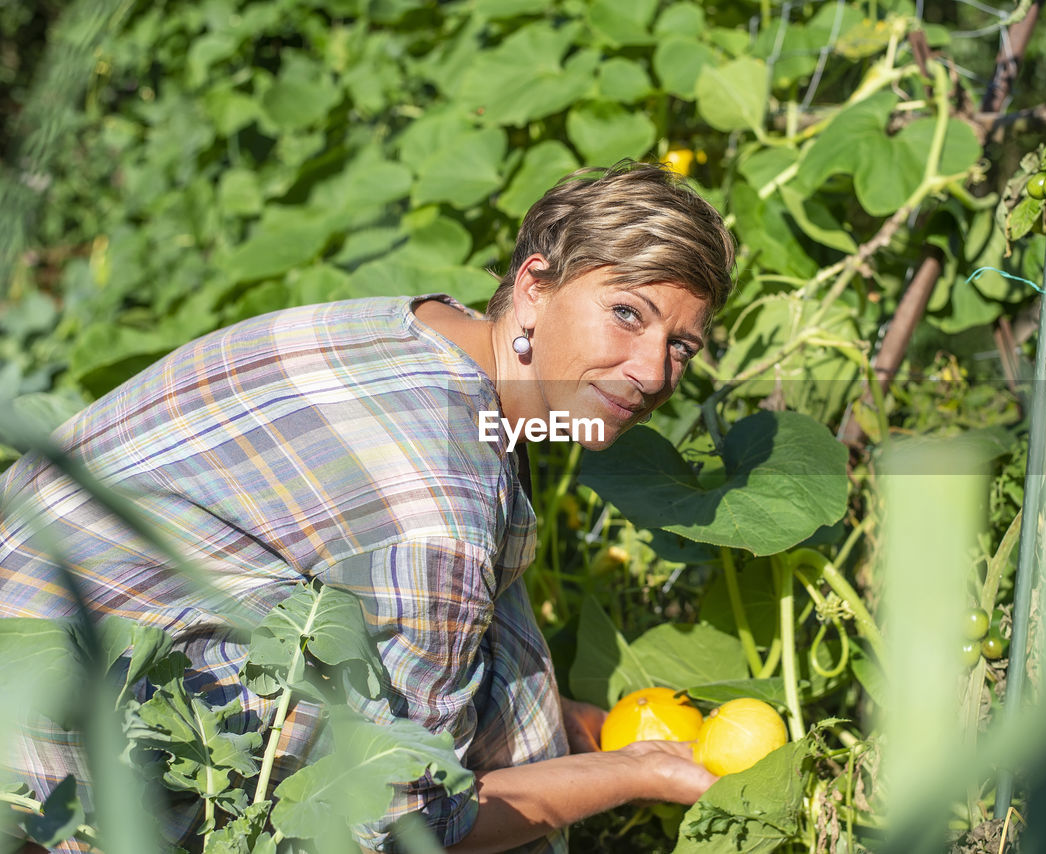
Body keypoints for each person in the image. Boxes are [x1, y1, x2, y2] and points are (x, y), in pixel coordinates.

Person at [0, 161, 736, 853]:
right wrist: (641, 774)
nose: (651, 372)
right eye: (627, 314)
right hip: (47, 765)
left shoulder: (422, 331)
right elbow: (401, 825)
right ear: (536, 286)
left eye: (682, 346)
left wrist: (568, 721)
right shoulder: (444, 506)